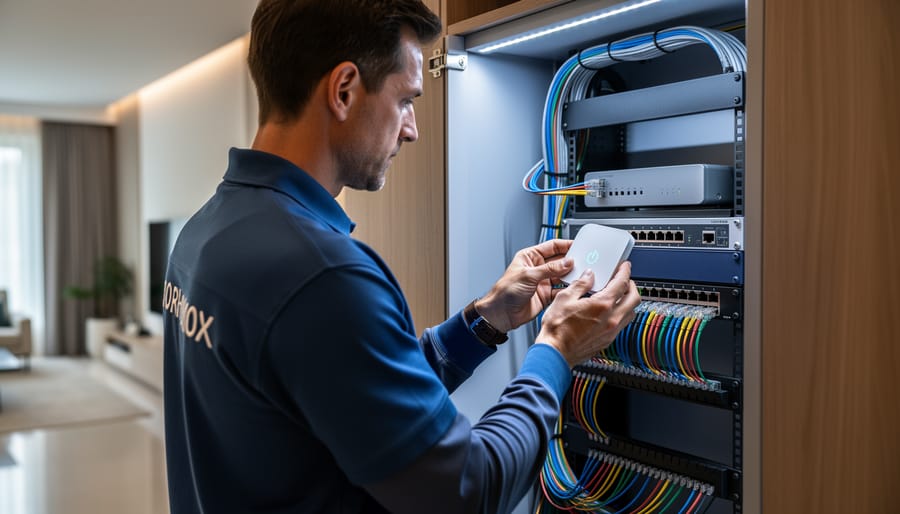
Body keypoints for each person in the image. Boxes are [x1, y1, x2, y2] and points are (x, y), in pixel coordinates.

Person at [162, 1, 641, 513]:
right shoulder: (323, 274)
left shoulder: (206, 231)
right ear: (343, 90)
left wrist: (485, 321)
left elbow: (353, 397)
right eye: (406, 100)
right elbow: (466, 492)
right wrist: (556, 351)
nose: (411, 129)